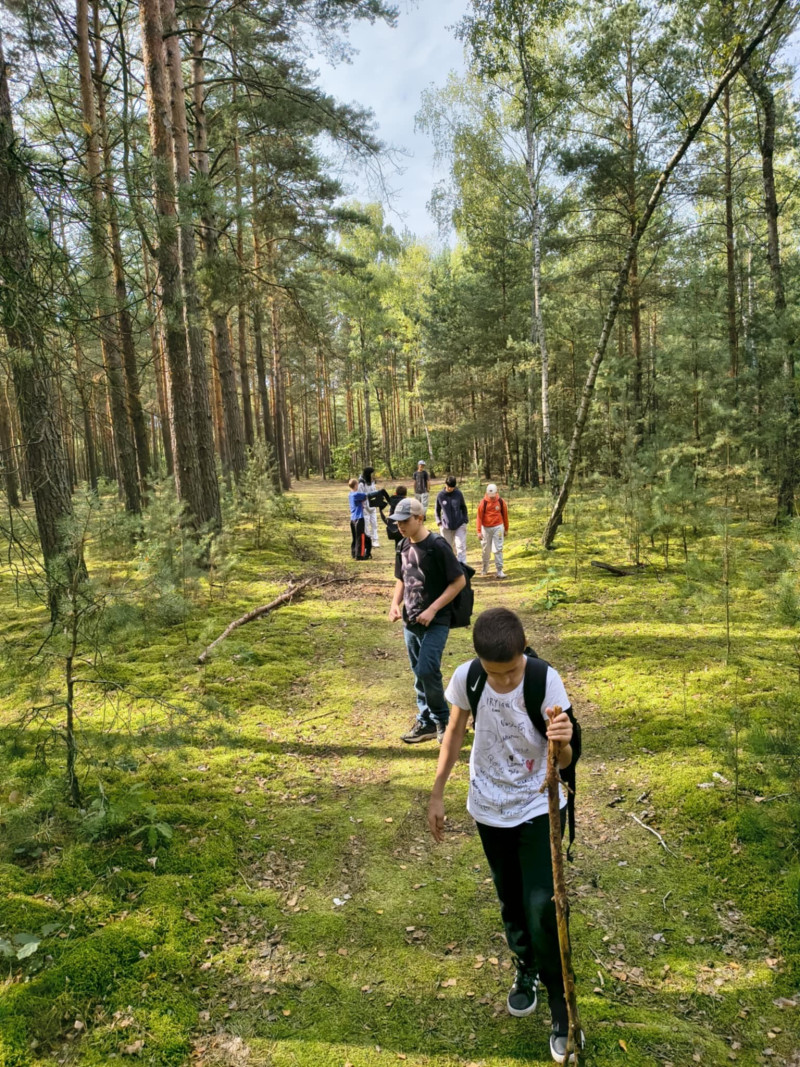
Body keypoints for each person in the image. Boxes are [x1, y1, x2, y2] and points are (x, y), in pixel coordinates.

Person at [428, 607, 583, 1064]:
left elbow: (566, 759)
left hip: (537, 804)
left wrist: (563, 739)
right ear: (478, 659)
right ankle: (524, 966)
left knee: (543, 905)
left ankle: (561, 1003)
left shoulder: (543, 679)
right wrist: (437, 792)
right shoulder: (468, 678)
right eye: (494, 673)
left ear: (523, 651)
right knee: (510, 897)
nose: (503, 680)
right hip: (488, 806)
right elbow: (454, 732)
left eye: (511, 671)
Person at [388, 497, 465, 744]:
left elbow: (459, 581)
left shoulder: (437, 545)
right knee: (418, 673)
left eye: (405, 520)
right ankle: (426, 722)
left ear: (419, 518)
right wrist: (394, 604)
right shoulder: (402, 545)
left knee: (427, 669)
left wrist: (432, 609)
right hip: (410, 622)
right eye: (397, 521)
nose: (400, 526)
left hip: (437, 621)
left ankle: (443, 719)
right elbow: (401, 578)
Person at [476, 482, 509, 578]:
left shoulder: (501, 502)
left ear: (496, 493)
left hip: (498, 527)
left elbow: (505, 515)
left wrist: (506, 529)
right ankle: (485, 568)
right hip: (486, 528)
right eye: (490, 497)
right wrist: (479, 531)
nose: (492, 498)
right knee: (486, 549)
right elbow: (479, 518)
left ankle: (499, 570)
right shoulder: (483, 503)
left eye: (493, 497)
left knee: (498, 549)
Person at [435, 475, 469, 563]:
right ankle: (450, 566)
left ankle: (462, 566)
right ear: (445, 484)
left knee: (460, 546)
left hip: (459, 524)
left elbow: (463, 507)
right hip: (446, 526)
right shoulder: (440, 495)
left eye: (452, 487)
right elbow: (437, 510)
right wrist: (439, 522)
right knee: (447, 548)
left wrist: (465, 519)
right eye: (449, 487)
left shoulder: (458, 494)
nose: (450, 489)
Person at [358, 466, 381, 549]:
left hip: (372, 506)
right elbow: (360, 495)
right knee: (366, 525)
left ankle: (375, 540)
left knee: (374, 524)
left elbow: (374, 491)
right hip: (365, 507)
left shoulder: (372, 482)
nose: (373, 475)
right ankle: (368, 541)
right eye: (372, 474)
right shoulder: (361, 483)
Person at [348, 478, 370, 560]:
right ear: (355, 485)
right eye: (357, 484)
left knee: (355, 537)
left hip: (352, 518)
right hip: (359, 518)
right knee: (360, 537)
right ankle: (359, 555)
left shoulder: (350, 494)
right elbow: (367, 495)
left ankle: (354, 553)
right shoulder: (356, 494)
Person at [382, 485, 408, 550]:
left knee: (397, 542)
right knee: (404, 543)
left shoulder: (392, 501)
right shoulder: (406, 502)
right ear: (405, 494)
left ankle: (397, 553)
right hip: (403, 525)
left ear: (396, 493)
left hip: (393, 526)